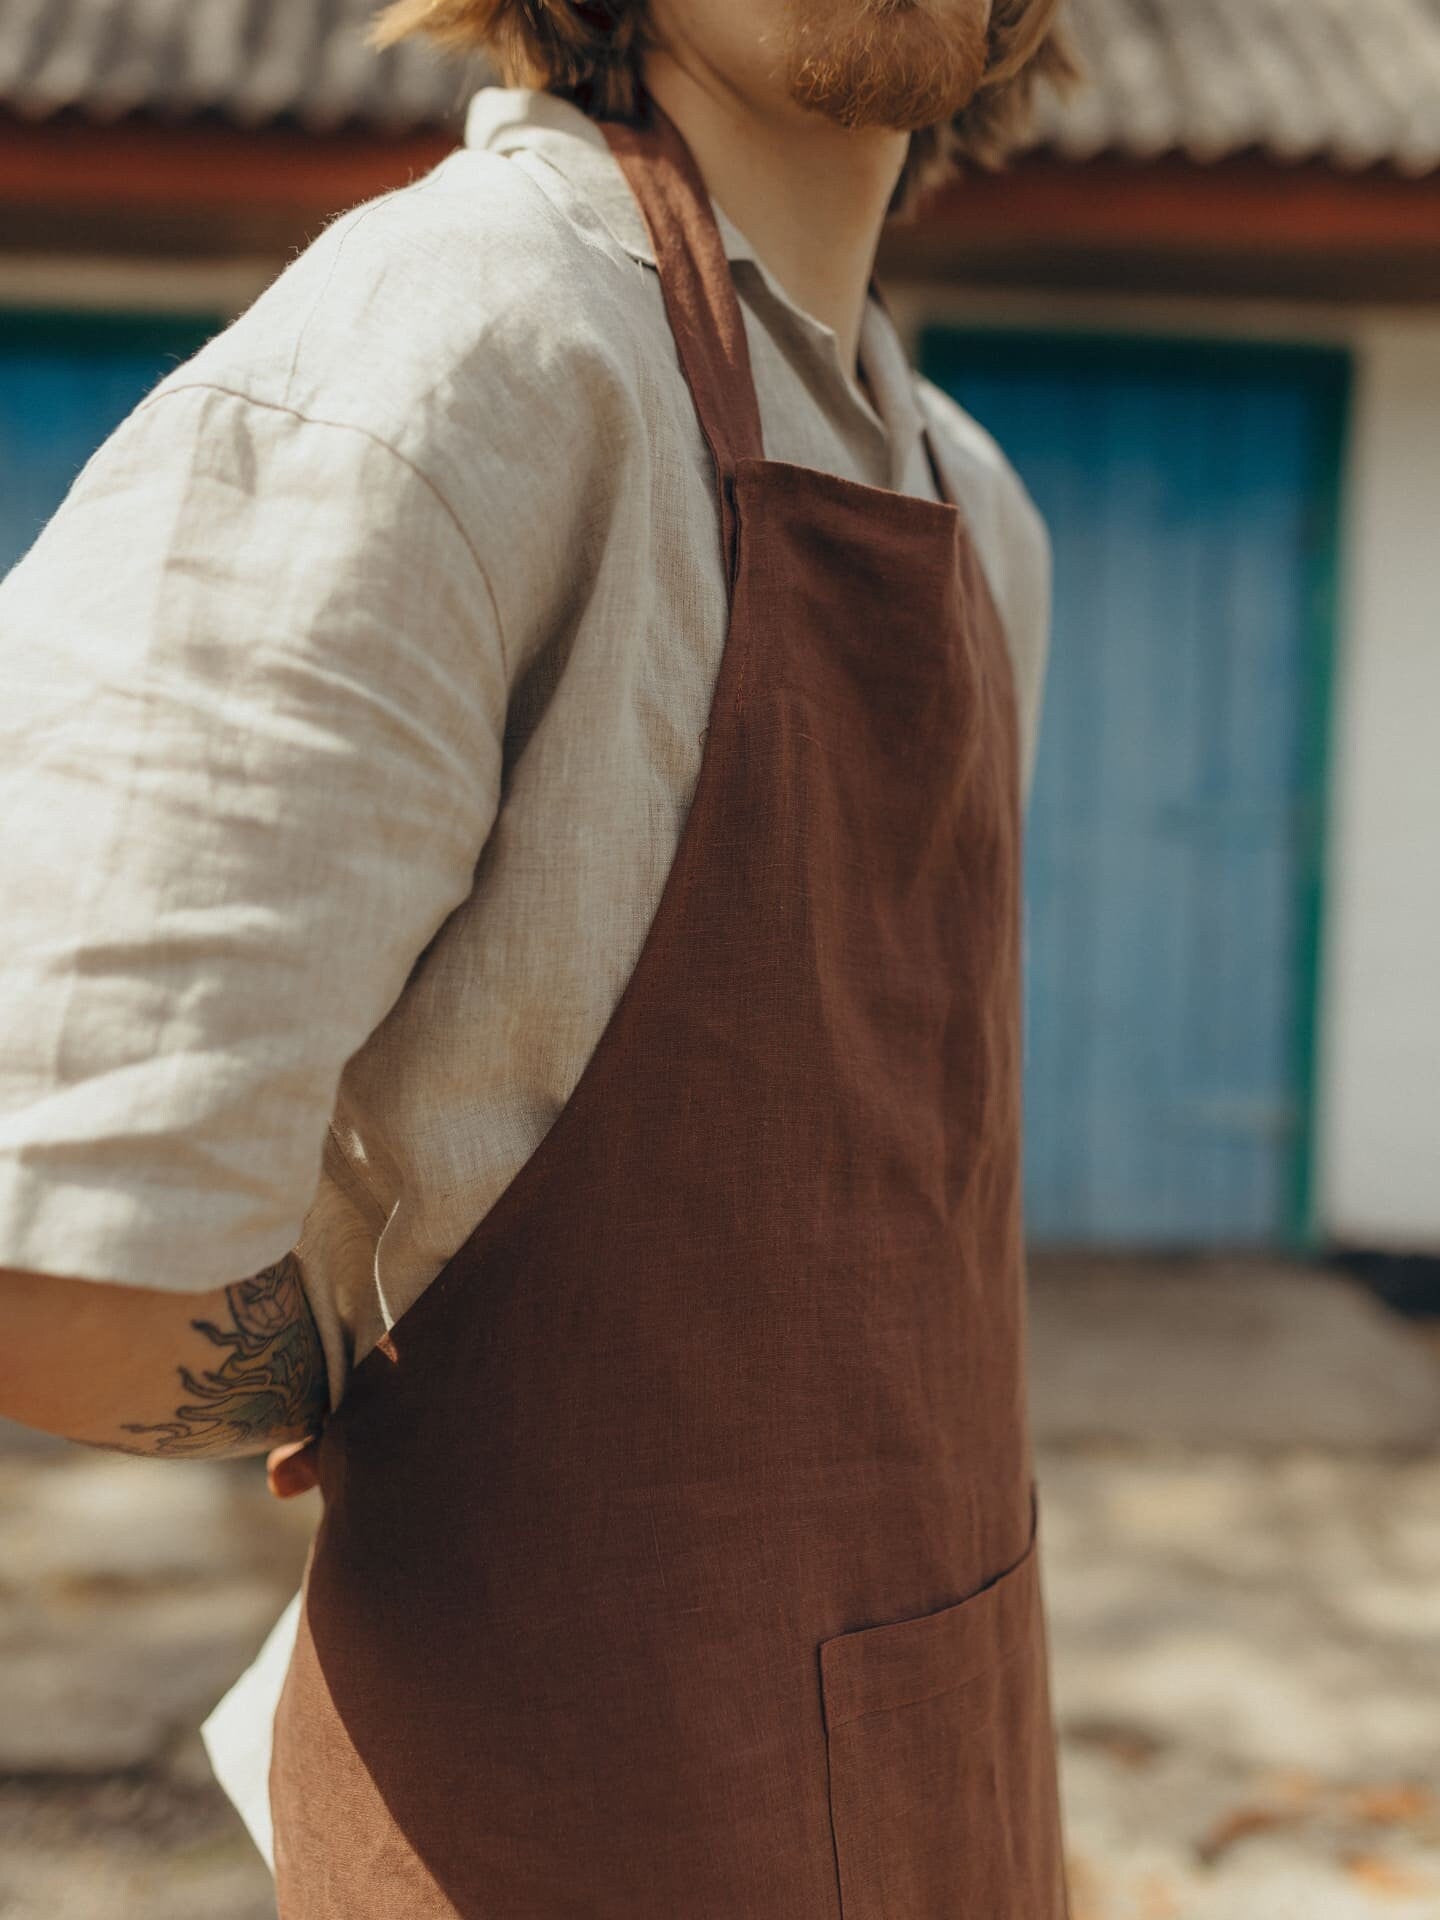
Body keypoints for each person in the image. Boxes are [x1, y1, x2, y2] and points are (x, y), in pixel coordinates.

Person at [0, 0, 1078, 1912]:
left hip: (948, 1789)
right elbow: (61, 1271)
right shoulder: (460, 351)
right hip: (566, 1821)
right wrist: (430, 1376)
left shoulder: (974, 511)